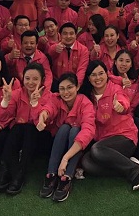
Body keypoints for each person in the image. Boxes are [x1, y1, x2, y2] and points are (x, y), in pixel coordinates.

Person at [79, 60, 139, 191]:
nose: (98, 78)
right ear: (89, 78)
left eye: (101, 73)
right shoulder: (88, 97)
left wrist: (121, 106)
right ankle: (135, 165)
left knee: (96, 149)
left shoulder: (115, 89)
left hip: (124, 137)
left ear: (107, 74)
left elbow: (124, 101)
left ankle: (136, 172)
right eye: (93, 75)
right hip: (104, 142)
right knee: (87, 163)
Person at [0, 63, 52, 195]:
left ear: (42, 80)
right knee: (17, 128)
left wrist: (35, 103)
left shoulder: (49, 96)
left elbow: (40, 122)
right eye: (27, 78)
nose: (30, 82)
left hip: (40, 136)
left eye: (35, 79)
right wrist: (5, 101)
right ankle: (5, 170)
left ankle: (20, 173)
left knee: (28, 128)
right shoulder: (17, 94)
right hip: (20, 134)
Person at [37, 72, 96, 202]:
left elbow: (88, 130)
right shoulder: (57, 99)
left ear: (77, 87)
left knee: (75, 130)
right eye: (62, 89)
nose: (66, 92)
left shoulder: (86, 103)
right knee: (64, 128)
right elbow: (48, 108)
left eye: (69, 87)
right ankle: (51, 173)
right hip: (59, 142)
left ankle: (67, 177)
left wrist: (66, 158)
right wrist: (42, 117)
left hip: (78, 147)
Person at [48, 22, 90, 88]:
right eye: (65, 33)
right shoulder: (55, 48)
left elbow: (81, 70)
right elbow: (49, 57)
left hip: (76, 83)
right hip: (57, 83)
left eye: (71, 33)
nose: (68, 36)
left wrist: (75, 85)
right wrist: (54, 50)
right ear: (60, 35)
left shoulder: (83, 50)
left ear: (75, 35)